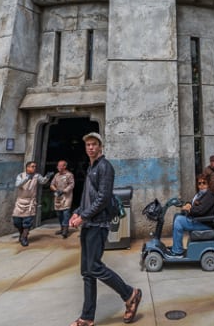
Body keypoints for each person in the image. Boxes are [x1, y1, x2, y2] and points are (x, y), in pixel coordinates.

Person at [68, 133, 142, 326]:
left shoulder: (105, 167)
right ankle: (87, 317)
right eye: (88, 145)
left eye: (94, 144)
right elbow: (87, 197)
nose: (91, 148)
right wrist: (77, 213)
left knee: (94, 267)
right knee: (87, 272)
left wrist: (83, 216)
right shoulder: (91, 167)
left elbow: (102, 198)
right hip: (88, 223)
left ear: (100, 147)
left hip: (98, 224)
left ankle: (129, 293)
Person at [169, 174, 214, 256]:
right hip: (199, 220)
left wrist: (189, 209)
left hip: (204, 223)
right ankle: (176, 246)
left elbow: (200, 210)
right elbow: (193, 202)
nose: (201, 185)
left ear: (208, 184)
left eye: (204, 183)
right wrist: (188, 204)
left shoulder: (210, 195)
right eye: (199, 183)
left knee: (179, 221)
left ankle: (177, 251)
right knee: (177, 216)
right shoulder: (200, 194)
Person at [12, 161, 53, 246]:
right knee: (17, 221)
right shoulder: (20, 175)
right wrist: (27, 178)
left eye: (35, 166)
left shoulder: (37, 176)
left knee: (28, 221)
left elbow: (43, 181)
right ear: (27, 168)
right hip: (20, 201)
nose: (34, 168)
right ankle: (22, 233)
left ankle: (24, 237)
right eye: (32, 166)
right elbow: (17, 184)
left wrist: (47, 177)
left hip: (30, 201)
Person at [51, 159, 75, 238]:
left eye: (61, 166)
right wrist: (56, 190)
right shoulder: (56, 175)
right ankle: (62, 228)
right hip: (58, 197)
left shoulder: (69, 175)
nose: (59, 167)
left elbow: (71, 185)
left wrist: (64, 191)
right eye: (58, 166)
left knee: (66, 213)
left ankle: (65, 229)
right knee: (59, 214)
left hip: (66, 197)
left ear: (65, 166)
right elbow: (52, 184)